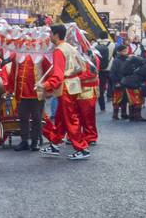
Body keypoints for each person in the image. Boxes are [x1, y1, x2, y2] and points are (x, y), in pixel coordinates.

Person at [38, 23, 93, 160]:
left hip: (65, 87)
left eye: (51, 34)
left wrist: (45, 85)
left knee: (70, 118)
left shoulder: (59, 50)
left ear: (56, 35)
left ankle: (82, 148)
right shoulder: (69, 47)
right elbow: (81, 67)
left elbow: (58, 75)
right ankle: (55, 143)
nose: (50, 36)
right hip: (72, 84)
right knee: (61, 117)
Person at [6, 50, 43, 150]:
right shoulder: (18, 54)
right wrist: (10, 88)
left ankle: (35, 142)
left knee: (37, 118)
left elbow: (48, 71)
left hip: (36, 92)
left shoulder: (41, 54)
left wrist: (48, 87)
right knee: (23, 118)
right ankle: (24, 141)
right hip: (21, 92)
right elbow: (13, 72)